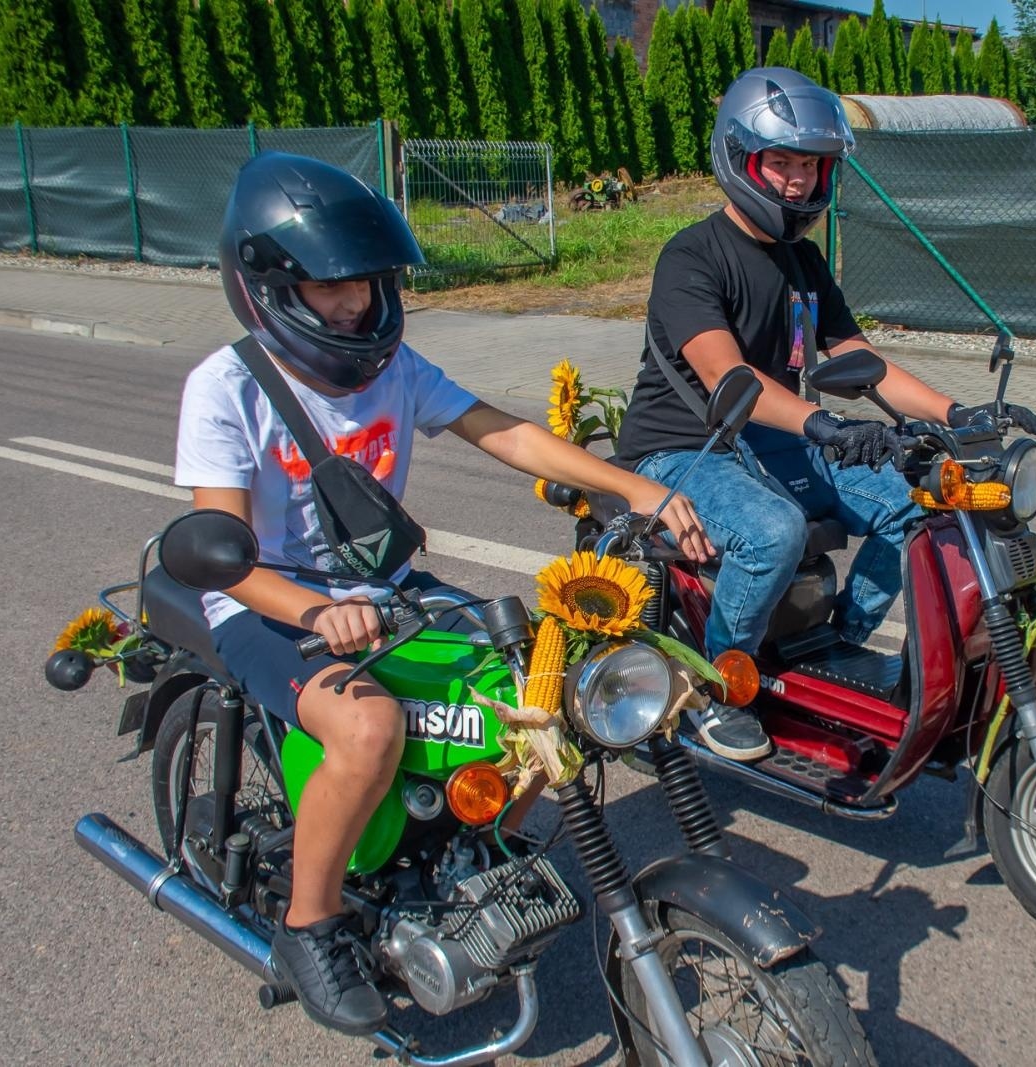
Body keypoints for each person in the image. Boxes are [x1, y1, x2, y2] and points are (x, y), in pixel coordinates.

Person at [175, 152, 711, 1036]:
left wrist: (635, 489)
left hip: (382, 588)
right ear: (269, 285)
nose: (357, 303)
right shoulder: (227, 387)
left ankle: (469, 848)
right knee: (370, 723)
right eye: (332, 288)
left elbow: (504, 433)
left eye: (370, 282)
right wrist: (313, 609)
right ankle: (312, 923)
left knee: (535, 695)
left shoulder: (394, 367)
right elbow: (224, 556)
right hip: (269, 604)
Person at [614, 69, 1036, 763]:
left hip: (773, 438)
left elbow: (859, 360)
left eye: (809, 165)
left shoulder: (804, 261)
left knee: (920, 504)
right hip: (684, 447)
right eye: (779, 162)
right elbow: (730, 375)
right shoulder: (691, 256)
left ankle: (838, 637)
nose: (795, 181)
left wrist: (958, 412)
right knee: (773, 531)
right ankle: (719, 683)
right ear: (740, 158)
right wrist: (824, 426)